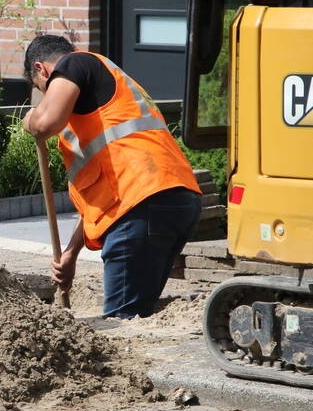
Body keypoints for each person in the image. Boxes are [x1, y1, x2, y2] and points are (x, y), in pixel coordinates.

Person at [22, 35, 202, 319]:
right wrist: (71, 254)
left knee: (120, 322)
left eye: (42, 89)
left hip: (141, 206)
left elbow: (45, 124)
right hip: (171, 200)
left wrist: (30, 119)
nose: (47, 97)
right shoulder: (104, 99)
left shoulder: (74, 63)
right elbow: (101, 197)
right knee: (137, 314)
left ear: (42, 70)